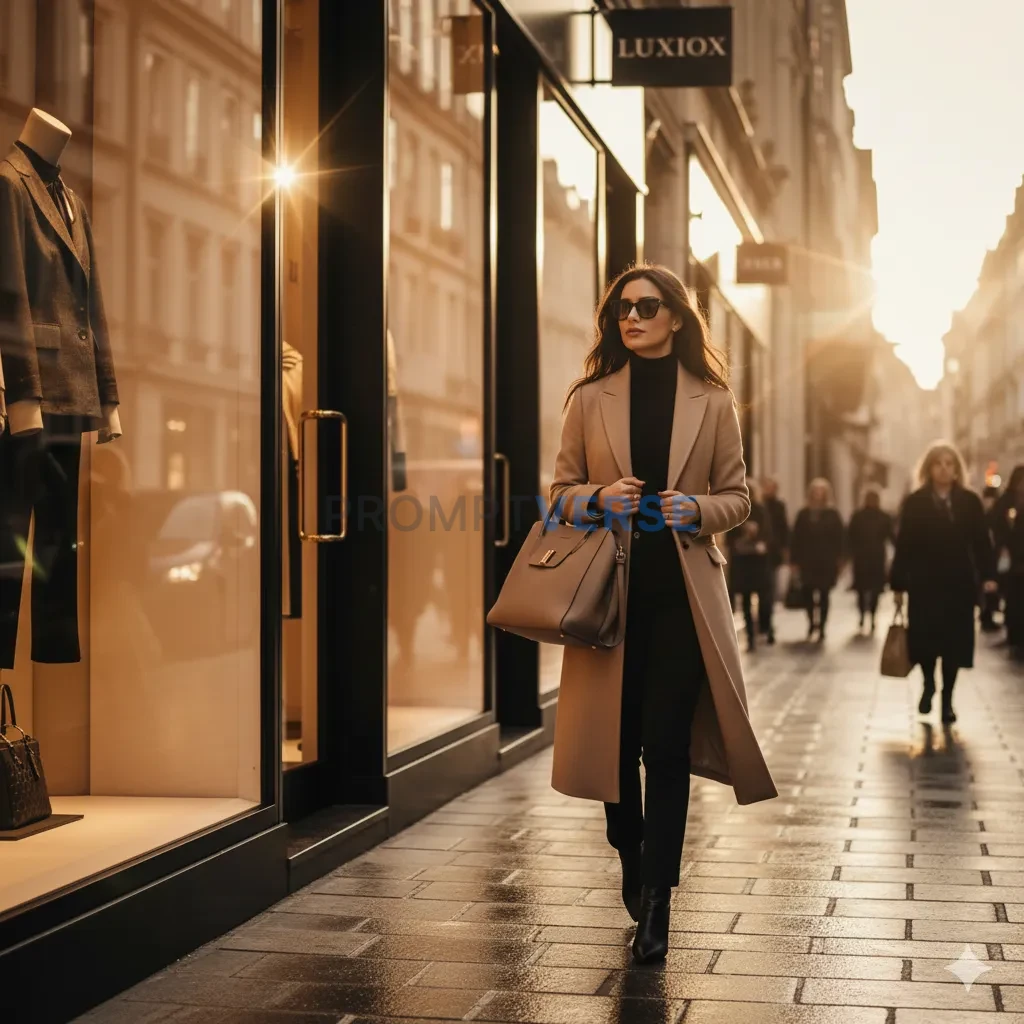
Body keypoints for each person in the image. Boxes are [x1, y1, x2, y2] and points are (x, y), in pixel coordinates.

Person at [547, 262, 777, 965]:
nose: (632, 317)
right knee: (613, 751)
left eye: (647, 306)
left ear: (677, 317)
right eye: (622, 308)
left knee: (665, 748)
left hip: (681, 597)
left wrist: (697, 509)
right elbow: (557, 492)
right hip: (607, 597)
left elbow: (737, 497)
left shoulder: (713, 400)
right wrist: (597, 499)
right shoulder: (589, 398)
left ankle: (658, 901)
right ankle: (631, 850)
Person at [890, 443, 997, 722]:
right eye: (939, 463)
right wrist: (898, 584)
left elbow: (982, 542)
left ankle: (947, 699)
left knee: (954, 644)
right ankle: (928, 684)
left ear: (956, 468)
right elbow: (905, 545)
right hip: (925, 583)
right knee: (925, 641)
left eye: (950, 463)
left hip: (959, 583)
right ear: (929, 468)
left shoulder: (969, 502)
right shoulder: (916, 502)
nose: (944, 469)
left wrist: (988, 576)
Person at [790, 479, 845, 641]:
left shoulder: (833, 514)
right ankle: (811, 621)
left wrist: (840, 559)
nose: (818, 493)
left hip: (826, 560)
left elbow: (840, 538)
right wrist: (794, 560)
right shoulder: (803, 514)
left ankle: (822, 626)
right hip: (807, 560)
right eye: (815, 490)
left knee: (824, 593)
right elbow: (796, 538)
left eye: (821, 490)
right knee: (807, 591)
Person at [728, 478, 773, 651]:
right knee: (745, 599)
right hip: (742, 560)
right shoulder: (735, 509)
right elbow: (730, 534)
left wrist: (759, 539)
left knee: (764, 597)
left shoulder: (760, 510)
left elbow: (767, 533)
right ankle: (750, 636)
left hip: (758, 561)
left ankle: (765, 628)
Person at [847, 489, 893, 634]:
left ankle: (870, 617)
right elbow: (850, 536)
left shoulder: (883, 517)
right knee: (863, 589)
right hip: (864, 557)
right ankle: (865, 616)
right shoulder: (859, 516)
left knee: (873, 590)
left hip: (873, 557)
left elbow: (891, 536)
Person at [992, 467, 1024, 656]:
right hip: (1013, 558)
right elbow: (997, 525)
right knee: (1014, 599)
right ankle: (1015, 636)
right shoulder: (1008, 501)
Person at [759, 476, 789, 642]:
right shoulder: (756, 504)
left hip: (772, 554)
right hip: (757, 555)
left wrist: (784, 551)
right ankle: (763, 623)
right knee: (762, 588)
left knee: (769, 589)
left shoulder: (779, 506)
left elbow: (783, 529)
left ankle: (767, 624)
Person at [980, 484, 1004, 633]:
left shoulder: (990, 513)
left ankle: (987, 615)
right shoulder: (989, 514)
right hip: (990, 555)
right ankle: (986, 616)